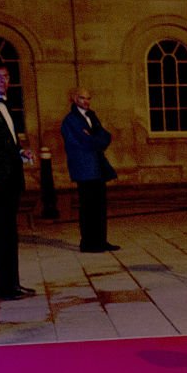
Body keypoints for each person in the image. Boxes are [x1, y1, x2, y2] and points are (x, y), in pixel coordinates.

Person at [0, 59, 35, 300]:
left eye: (6, 76)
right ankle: (5, 286)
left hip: (10, 176)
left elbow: (7, 142)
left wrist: (20, 152)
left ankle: (9, 282)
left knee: (8, 232)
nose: (4, 81)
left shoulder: (7, 105)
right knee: (2, 234)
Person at [61, 87, 119, 253]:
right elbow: (84, 142)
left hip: (98, 167)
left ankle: (100, 240)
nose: (86, 101)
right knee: (88, 207)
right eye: (82, 98)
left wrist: (93, 137)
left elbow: (106, 136)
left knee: (100, 206)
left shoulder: (92, 116)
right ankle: (88, 243)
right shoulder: (70, 120)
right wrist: (95, 139)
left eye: (88, 98)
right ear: (74, 98)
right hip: (84, 169)